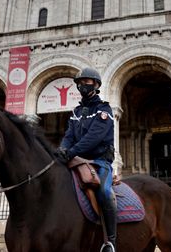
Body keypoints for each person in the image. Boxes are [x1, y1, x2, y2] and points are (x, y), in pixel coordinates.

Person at [55, 67, 117, 252]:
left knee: (105, 193)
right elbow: (68, 135)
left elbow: (94, 137)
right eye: (80, 83)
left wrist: (72, 151)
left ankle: (110, 241)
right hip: (76, 161)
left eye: (87, 82)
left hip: (99, 162)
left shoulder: (104, 109)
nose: (83, 85)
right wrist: (63, 149)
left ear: (96, 85)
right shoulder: (76, 111)